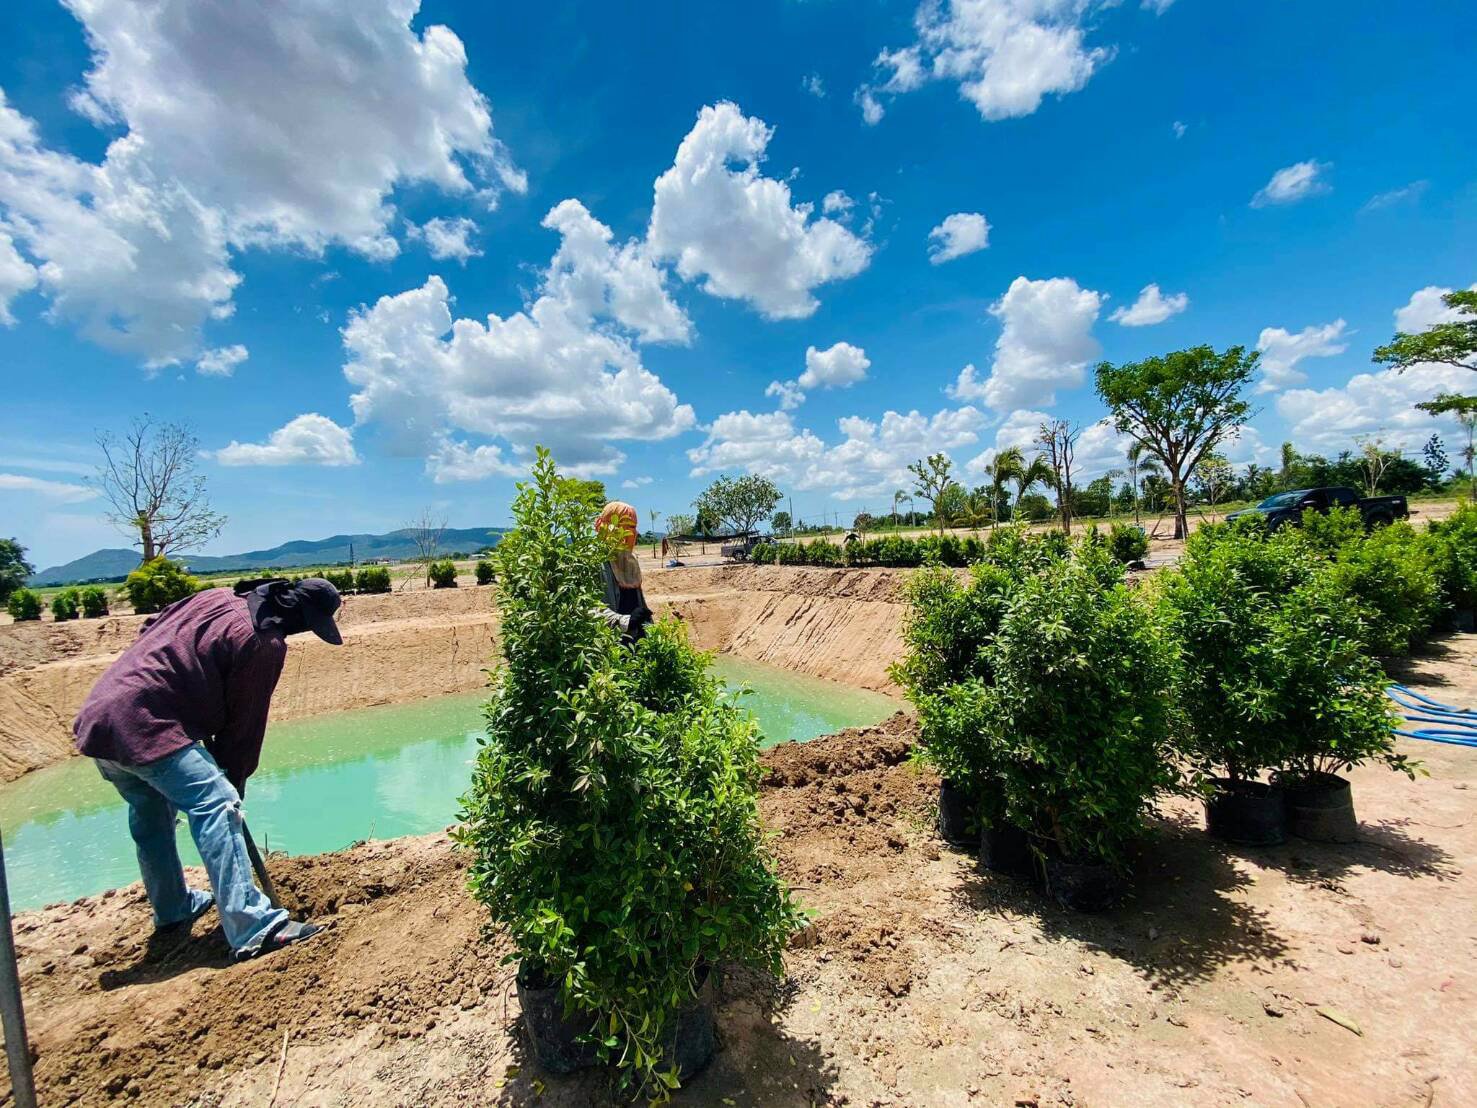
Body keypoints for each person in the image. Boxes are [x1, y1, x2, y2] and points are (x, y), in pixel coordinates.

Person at [73, 577, 345, 961]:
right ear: (302, 618)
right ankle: (254, 926)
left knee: (151, 813)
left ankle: (173, 908)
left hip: (102, 714)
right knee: (218, 804)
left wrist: (190, 696)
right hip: (147, 723)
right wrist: (234, 780)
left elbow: (151, 630)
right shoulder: (263, 642)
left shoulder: (217, 598)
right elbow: (243, 727)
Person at [595, 501, 653, 643]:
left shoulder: (630, 562)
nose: (635, 533)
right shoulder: (595, 562)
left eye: (634, 527)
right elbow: (589, 609)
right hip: (609, 646)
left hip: (635, 643)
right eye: (630, 527)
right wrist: (626, 621)